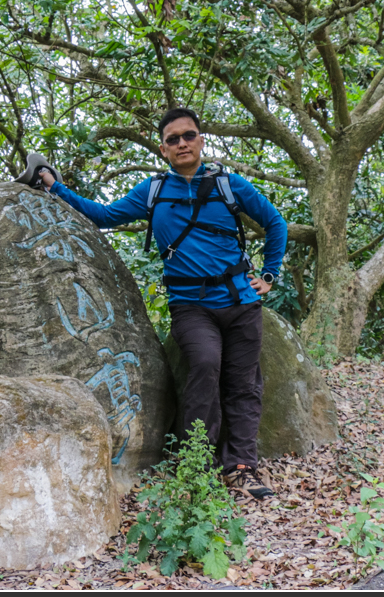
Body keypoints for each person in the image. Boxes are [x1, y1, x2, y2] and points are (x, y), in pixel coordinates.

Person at [39, 107, 288, 499]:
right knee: (204, 366)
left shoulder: (229, 184)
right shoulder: (153, 191)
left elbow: (275, 223)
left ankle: (241, 467)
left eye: (188, 135)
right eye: (173, 139)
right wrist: (55, 187)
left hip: (241, 302)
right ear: (163, 149)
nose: (182, 143)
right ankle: (197, 466)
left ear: (201, 139)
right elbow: (103, 215)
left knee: (243, 384)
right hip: (191, 305)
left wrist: (269, 276)